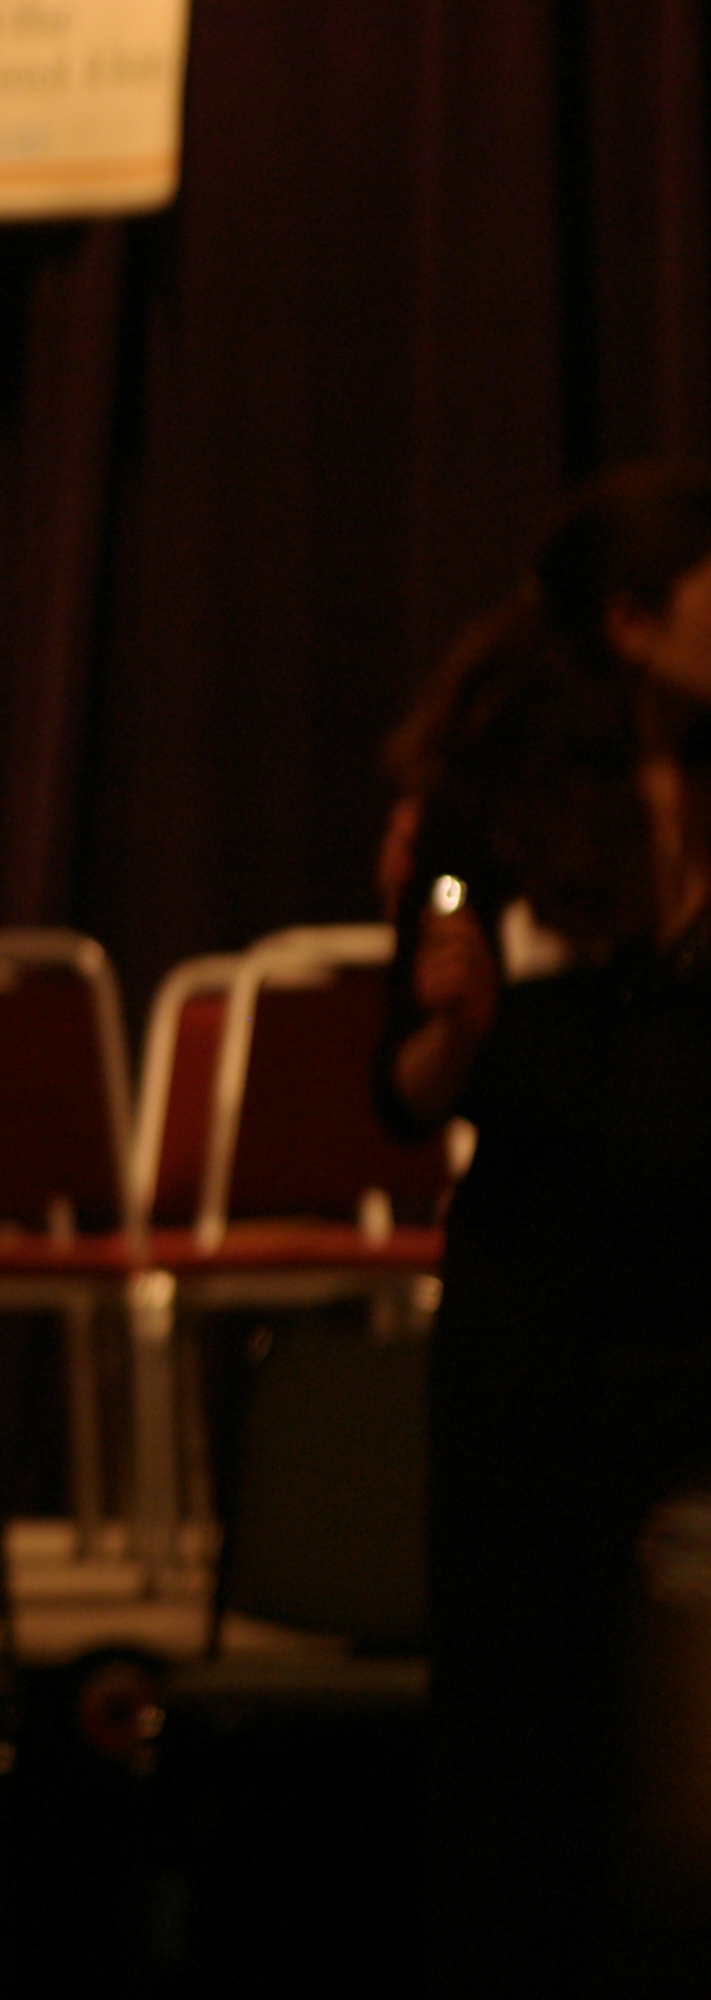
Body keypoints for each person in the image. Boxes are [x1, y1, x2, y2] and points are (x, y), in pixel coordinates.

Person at [379, 462, 711, 1995]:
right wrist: (452, 1025)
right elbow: (404, 1093)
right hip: (542, 1301)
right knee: (532, 1677)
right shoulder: (490, 806)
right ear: (633, 624)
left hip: (694, 1299)